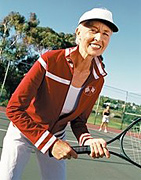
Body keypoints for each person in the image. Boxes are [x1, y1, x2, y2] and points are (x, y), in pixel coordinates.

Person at [0, 7, 118, 180]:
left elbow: (79, 122)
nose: (99, 38)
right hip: (23, 132)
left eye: (106, 33)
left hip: (57, 136)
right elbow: (14, 108)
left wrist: (88, 141)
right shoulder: (49, 60)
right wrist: (51, 144)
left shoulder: (98, 79)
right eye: (93, 30)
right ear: (78, 33)